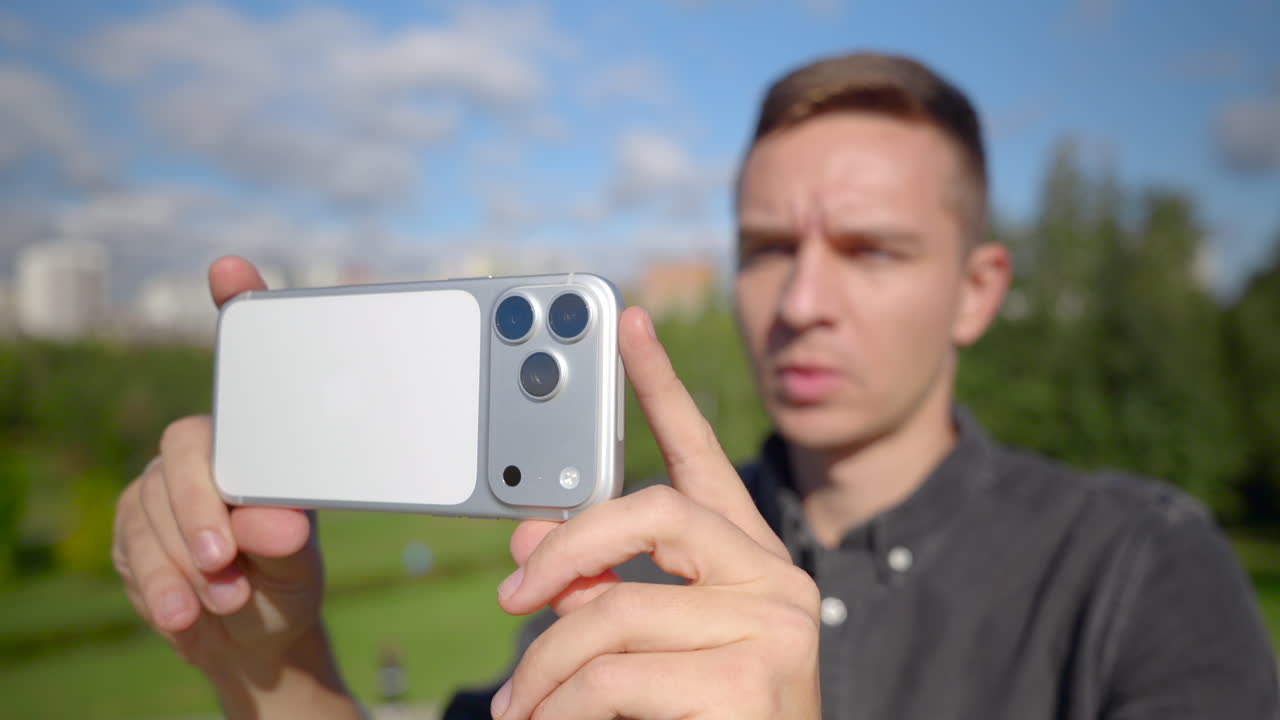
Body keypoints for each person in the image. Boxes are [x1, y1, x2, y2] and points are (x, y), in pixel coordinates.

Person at [111, 52, 1278, 720]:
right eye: (767, 245)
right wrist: (271, 659)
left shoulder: (1134, 566)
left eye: (869, 249)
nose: (800, 297)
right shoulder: (621, 561)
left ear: (977, 290)